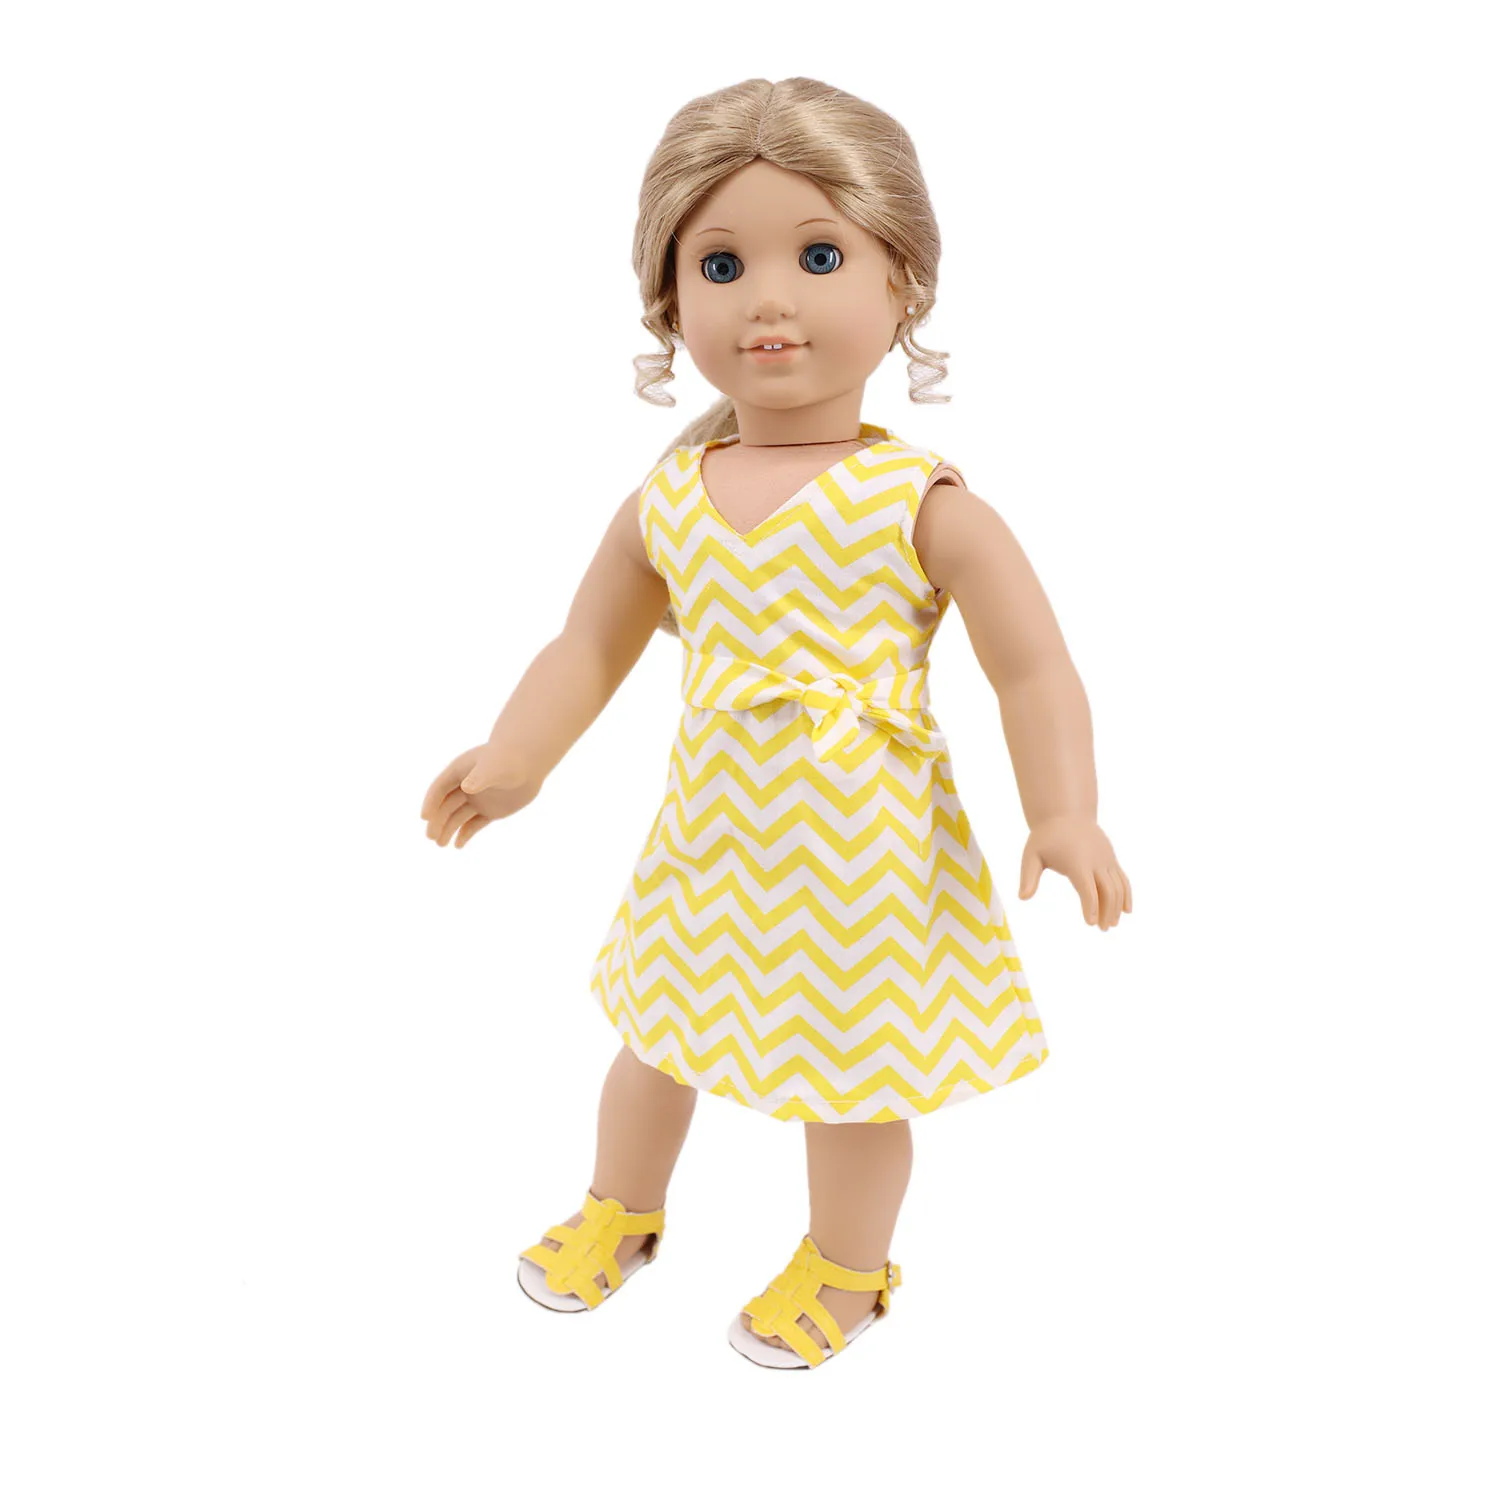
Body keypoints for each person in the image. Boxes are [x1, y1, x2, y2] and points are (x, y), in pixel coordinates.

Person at [419, 76, 1132, 1370]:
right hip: (713, 840)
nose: (768, 300)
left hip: (864, 852)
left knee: (852, 1081)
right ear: (668, 299)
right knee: (655, 1039)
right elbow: (588, 644)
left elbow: (1033, 669)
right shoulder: (671, 498)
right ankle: (621, 1209)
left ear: (903, 281)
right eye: (721, 264)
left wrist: (1064, 811)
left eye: (818, 256)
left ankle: (848, 1270)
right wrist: (517, 757)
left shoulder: (921, 504)